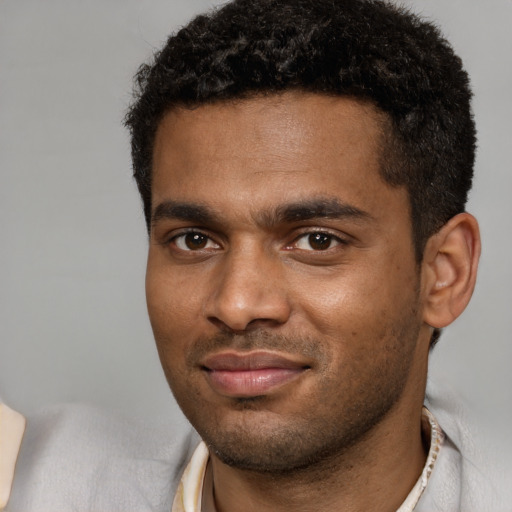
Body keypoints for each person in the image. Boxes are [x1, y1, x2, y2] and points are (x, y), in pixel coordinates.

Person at [1, 0, 508, 510]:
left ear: (444, 273)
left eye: (316, 241)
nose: (237, 305)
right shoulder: (31, 479)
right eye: (194, 240)